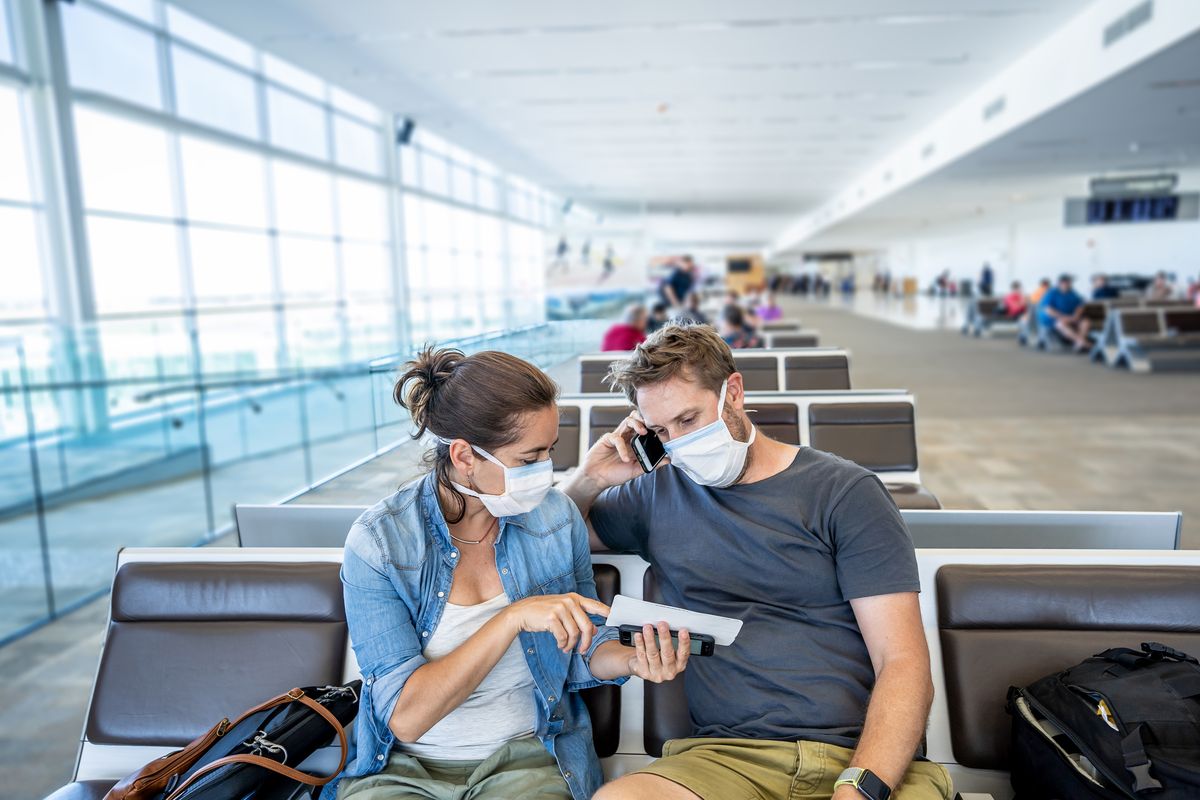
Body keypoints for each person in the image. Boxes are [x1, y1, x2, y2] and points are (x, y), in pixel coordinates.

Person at [562, 325, 950, 800]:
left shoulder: (844, 492)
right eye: (661, 431)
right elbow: (557, 540)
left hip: (857, 755)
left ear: (734, 392)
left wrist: (859, 787)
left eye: (689, 420)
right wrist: (589, 478)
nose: (678, 442)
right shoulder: (655, 495)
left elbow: (903, 662)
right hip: (725, 760)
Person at [333, 348, 689, 800]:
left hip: (526, 757)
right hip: (403, 767)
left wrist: (631, 660)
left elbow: (583, 644)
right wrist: (510, 618)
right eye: (528, 459)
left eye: (549, 452)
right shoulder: (381, 543)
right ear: (464, 456)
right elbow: (406, 716)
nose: (544, 472)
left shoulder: (555, 518)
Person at [1039, 274, 1091, 352]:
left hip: (1071, 317)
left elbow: (1080, 305)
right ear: (1061, 283)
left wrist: (1076, 315)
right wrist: (1062, 316)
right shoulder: (1052, 293)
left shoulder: (1073, 293)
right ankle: (1081, 342)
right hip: (1055, 319)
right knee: (1061, 324)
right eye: (1068, 282)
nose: (1070, 284)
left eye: (1070, 282)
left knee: (1086, 322)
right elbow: (1048, 310)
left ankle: (1079, 343)